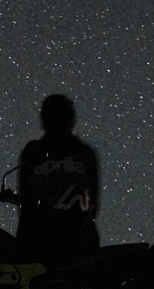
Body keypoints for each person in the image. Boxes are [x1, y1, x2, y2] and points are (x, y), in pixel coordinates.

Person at [16, 94, 99, 264]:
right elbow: (24, 198)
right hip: (41, 240)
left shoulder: (84, 153)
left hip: (76, 239)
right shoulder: (33, 151)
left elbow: (92, 199)